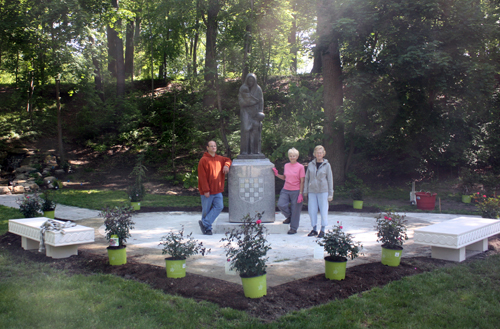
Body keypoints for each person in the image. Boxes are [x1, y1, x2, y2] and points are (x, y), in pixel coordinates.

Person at [197, 140, 232, 235]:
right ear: (207, 148)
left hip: (217, 190)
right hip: (207, 191)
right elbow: (202, 177)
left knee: (219, 206)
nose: (213, 148)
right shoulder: (203, 160)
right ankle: (208, 229)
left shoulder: (220, 158)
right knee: (206, 210)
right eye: (211, 146)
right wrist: (206, 190)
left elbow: (228, 160)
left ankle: (204, 223)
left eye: (215, 146)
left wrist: (226, 165)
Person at [303, 145, 334, 238]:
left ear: (323, 153)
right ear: (315, 154)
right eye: (317, 153)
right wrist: (305, 190)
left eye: (320, 153)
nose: (319, 154)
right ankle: (314, 229)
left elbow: (330, 179)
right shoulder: (311, 164)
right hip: (312, 191)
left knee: (323, 210)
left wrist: (330, 193)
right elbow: (307, 178)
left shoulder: (327, 165)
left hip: (323, 191)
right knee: (312, 210)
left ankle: (323, 229)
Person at [273, 147, 305, 235]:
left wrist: (301, 194)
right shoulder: (286, 165)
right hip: (286, 189)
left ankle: (293, 228)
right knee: (281, 204)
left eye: (294, 156)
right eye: (290, 156)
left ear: (297, 156)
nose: (292, 157)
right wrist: (276, 174)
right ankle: (290, 217)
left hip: (296, 190)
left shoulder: (300, 167)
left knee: (296, 210)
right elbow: (284, 177)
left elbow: (302, 181)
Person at [238, 73, 264, 155]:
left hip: (255, 112)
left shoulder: (258, 89)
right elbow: (241, 101)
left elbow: (261, 100)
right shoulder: (242, 88)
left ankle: (255, 151)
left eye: (252, 80)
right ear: (246, 80)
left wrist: (260, 111)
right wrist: (249, 102)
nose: (250, 82)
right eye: (249, 80)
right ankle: (245, 151)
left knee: (255, 130)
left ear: (254, 81)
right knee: (246, 129)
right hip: (245, 112)